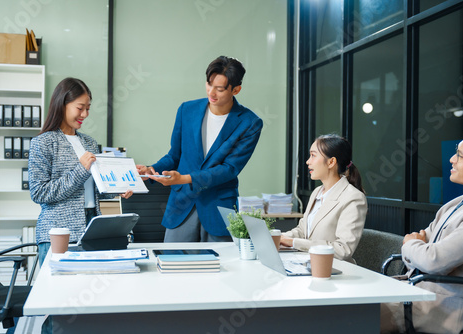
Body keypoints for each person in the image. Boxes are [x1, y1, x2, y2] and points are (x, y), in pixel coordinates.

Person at [136, 56, 263, 242]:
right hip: (181, 206)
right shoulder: (187, 110)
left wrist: (185, 178)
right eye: (209, 84)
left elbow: (229, 169)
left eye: (219, 89)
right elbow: (175, 155)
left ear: (236, 90)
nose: (212, 92)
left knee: (222, 268)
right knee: (174, 265)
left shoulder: (249, 123)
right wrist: (151, 170)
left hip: (218, 208)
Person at [381, 124, 463, 334]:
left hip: (444, 307)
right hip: (417, 290)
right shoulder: (454, 204)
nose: (452, 159)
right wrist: (418, 249)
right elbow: (423, 247)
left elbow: (434, 260)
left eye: (461, 156)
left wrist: (412, 245)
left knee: (354, 313)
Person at [29, 77, 133, 265]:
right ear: (62, 104)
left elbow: (93, 189)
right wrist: (80, 170)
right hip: (58, 231)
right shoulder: (43, 142)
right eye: (80, 107)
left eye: (88, 109)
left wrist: (118, 189)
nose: (85, 114)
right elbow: (39, 193)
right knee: (59, 291)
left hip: (92, 225)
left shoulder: (89, 143)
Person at [280, 134, 367, 263]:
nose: (308, 161)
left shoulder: (353, 198)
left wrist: (292, 242)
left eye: (313, 155)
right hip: (307, 263)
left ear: (331, 162)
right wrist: (278, 237)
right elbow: (302, 231)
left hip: (334, 270)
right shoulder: (317, 192)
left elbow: (343, 249)